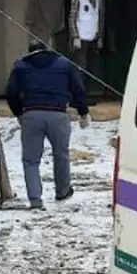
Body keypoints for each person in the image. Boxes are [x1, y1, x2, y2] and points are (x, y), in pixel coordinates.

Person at [5, 39, 89, 210]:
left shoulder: (21, 66)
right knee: (61, 154)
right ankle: (62, 191)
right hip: (58, 114)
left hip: (32, 114)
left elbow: (11, 92)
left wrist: (19, 112)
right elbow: (77, 88)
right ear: (48, 50)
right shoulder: (64, 64)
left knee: (31, 160)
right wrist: (83, 111)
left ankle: (35, 200)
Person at [68, 0, 105, 98]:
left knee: (90, 69)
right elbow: (72, 18)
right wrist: (75, 36)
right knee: (80, 69)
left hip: (93, 40)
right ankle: (77, 96)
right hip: (81, 40)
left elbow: (99, 19)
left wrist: (100, 37)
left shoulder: (99, 0)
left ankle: (86, 95)